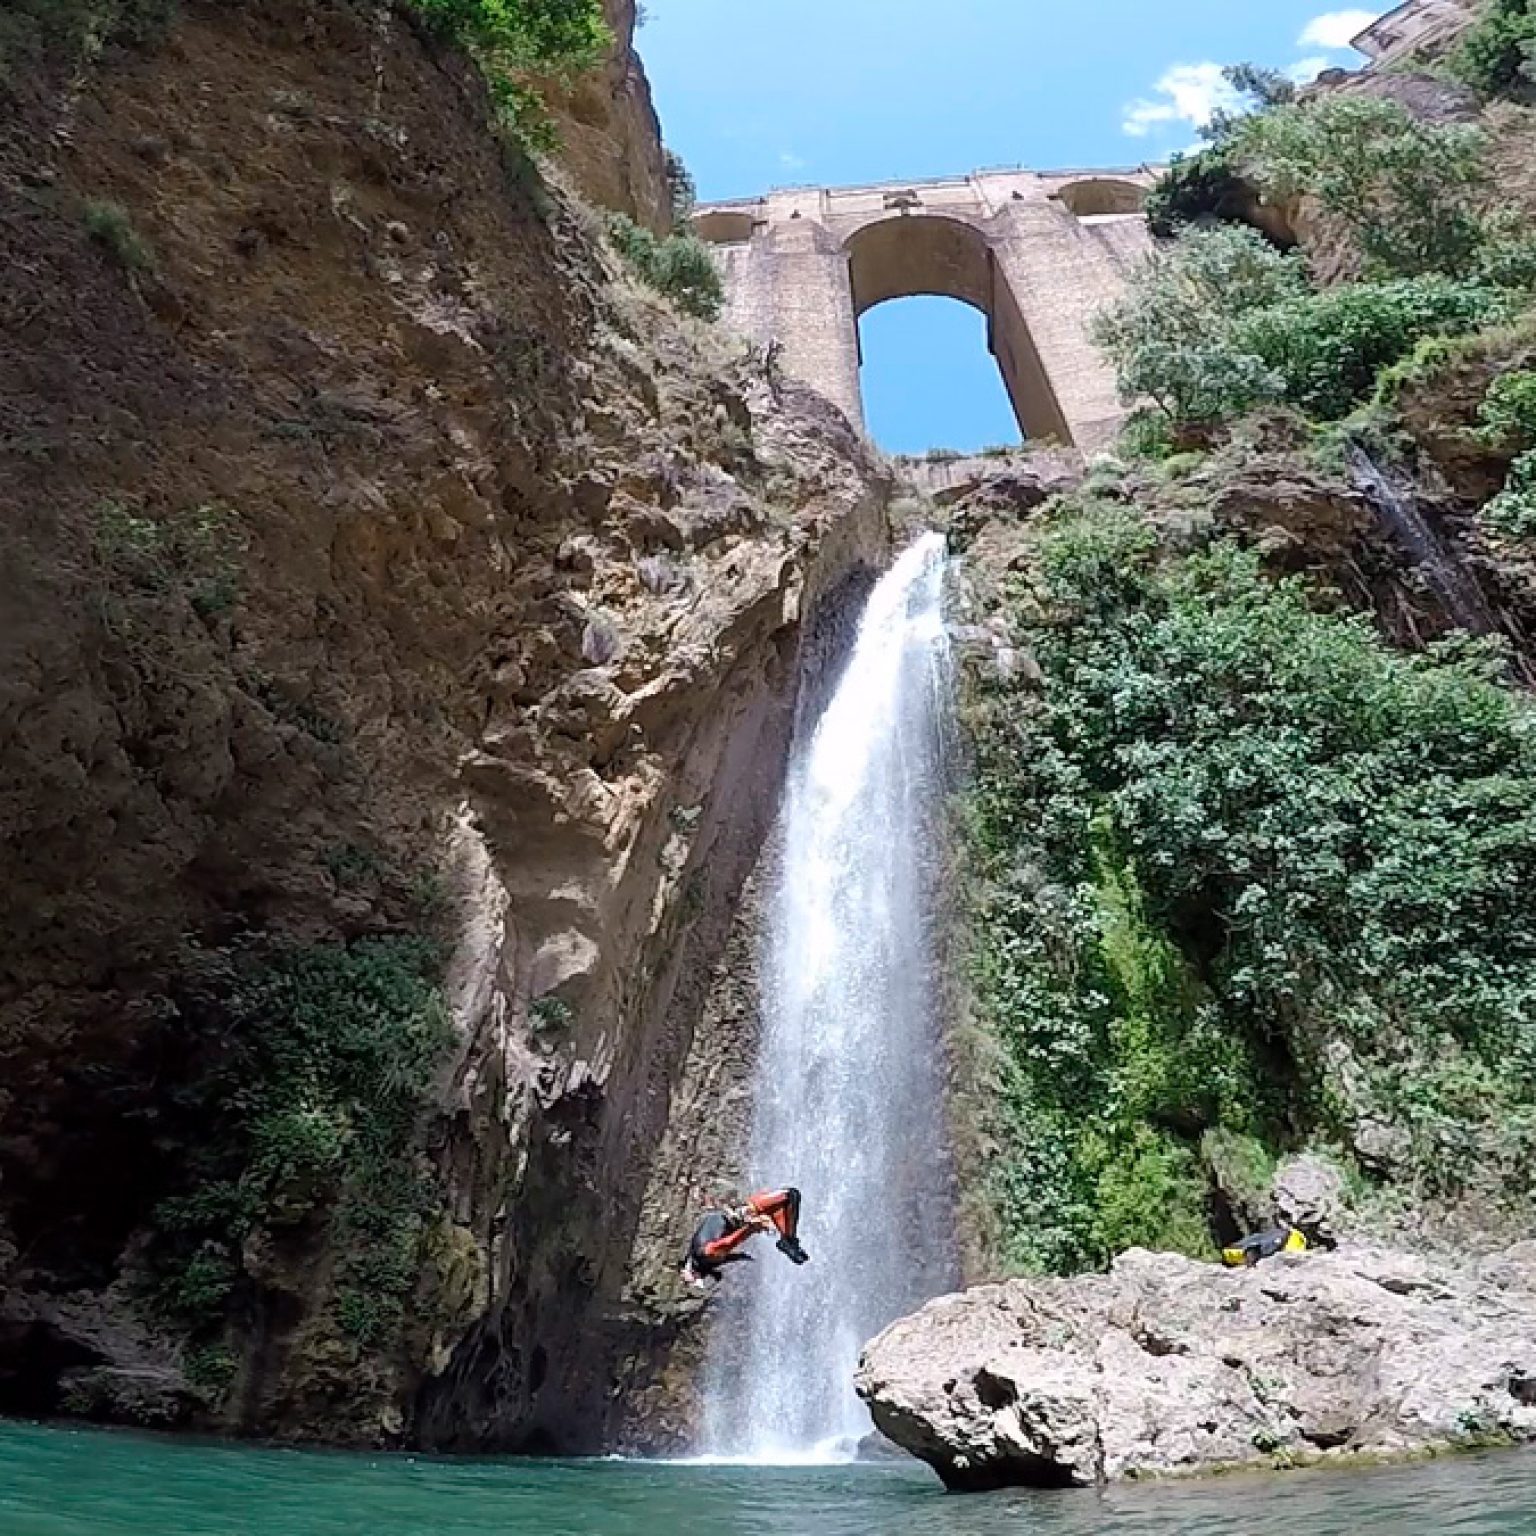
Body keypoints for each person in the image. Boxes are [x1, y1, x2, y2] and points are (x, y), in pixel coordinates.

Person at [680, 1187, 809, 1290]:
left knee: (784, 1203)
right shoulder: (704, 1255)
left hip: (739, 1215)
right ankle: (788, 1241)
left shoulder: (699, 1259)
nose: (684, 1278)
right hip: (742, 1215)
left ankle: (788, 1241)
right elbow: (729, 1242)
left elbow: (726, 1252)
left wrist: (742, 1254)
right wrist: (751, 1228)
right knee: (791, 1195)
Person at [1221, 1225, 1308, 1268]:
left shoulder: (1288, 1237)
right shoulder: (1281, 1239)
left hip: (1235, 1252)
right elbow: (1255, 1249)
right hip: (1236, 1252)